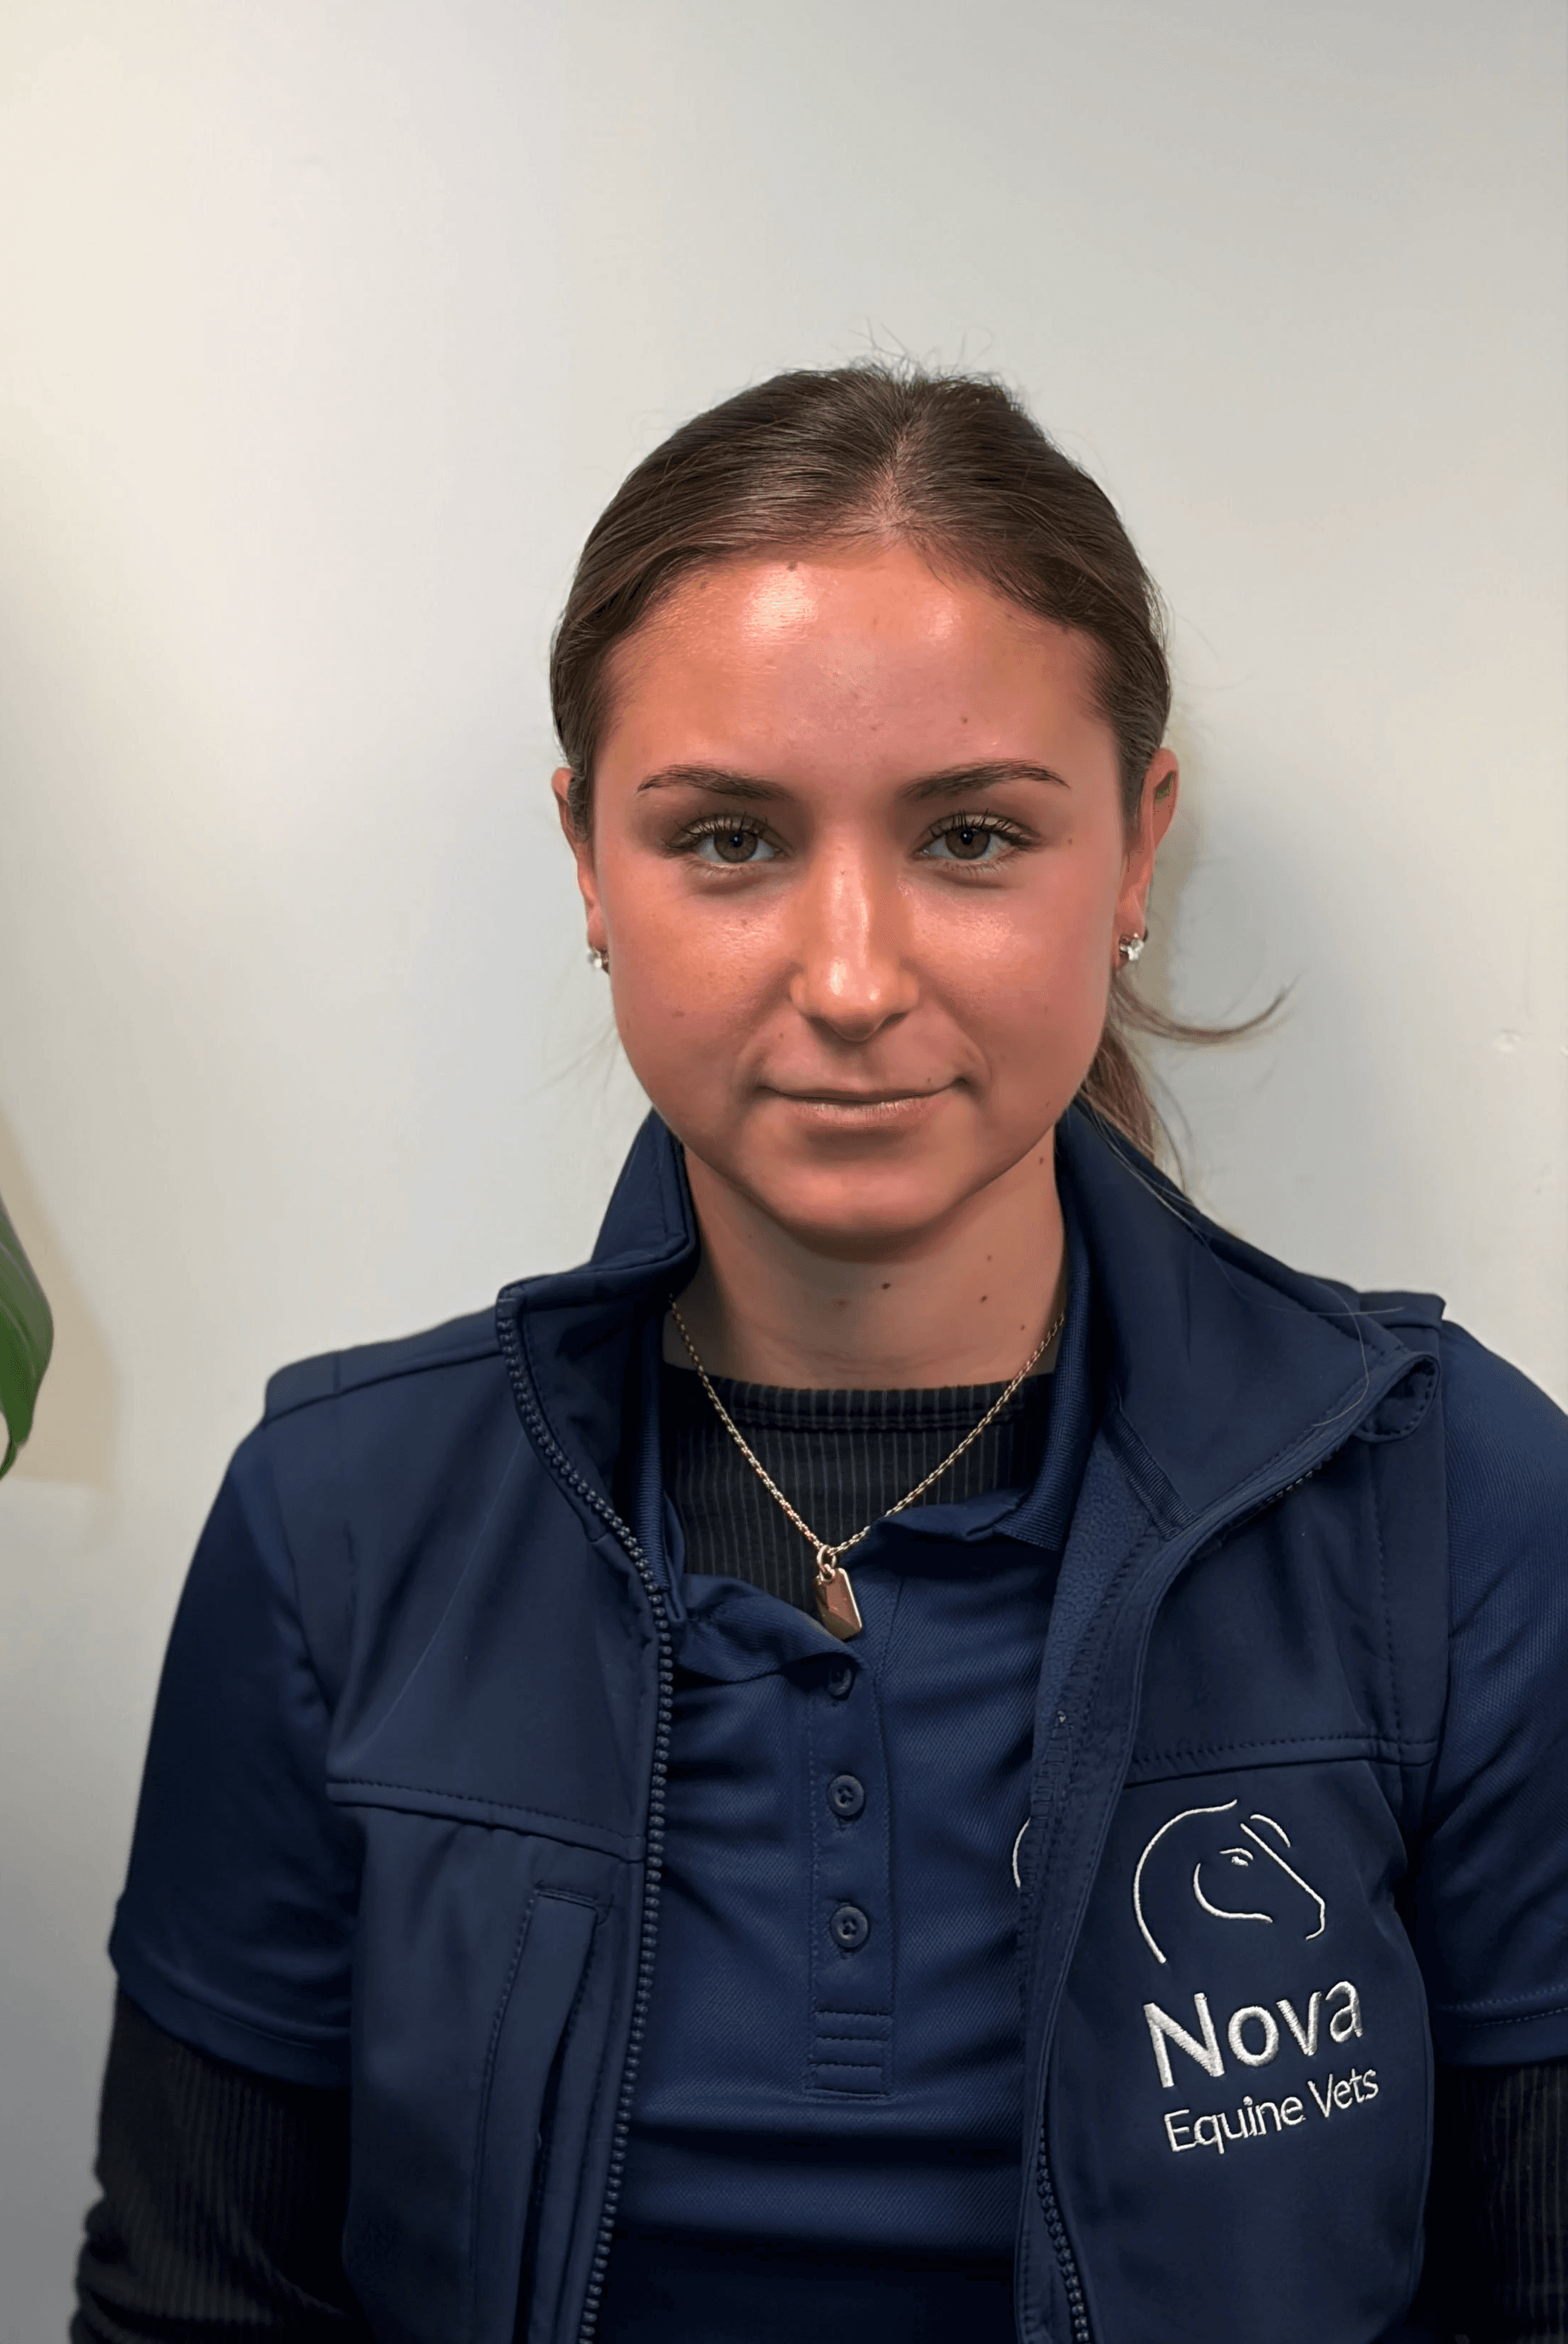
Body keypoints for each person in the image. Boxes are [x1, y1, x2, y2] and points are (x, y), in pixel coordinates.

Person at [74, 364, 1568, 2344]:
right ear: (588, 863)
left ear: (1137, 848)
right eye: (726, 839)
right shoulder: (339, 1525)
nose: (852, 977)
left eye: (972, 835)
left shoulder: (1449, 1501)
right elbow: (196, 2305)